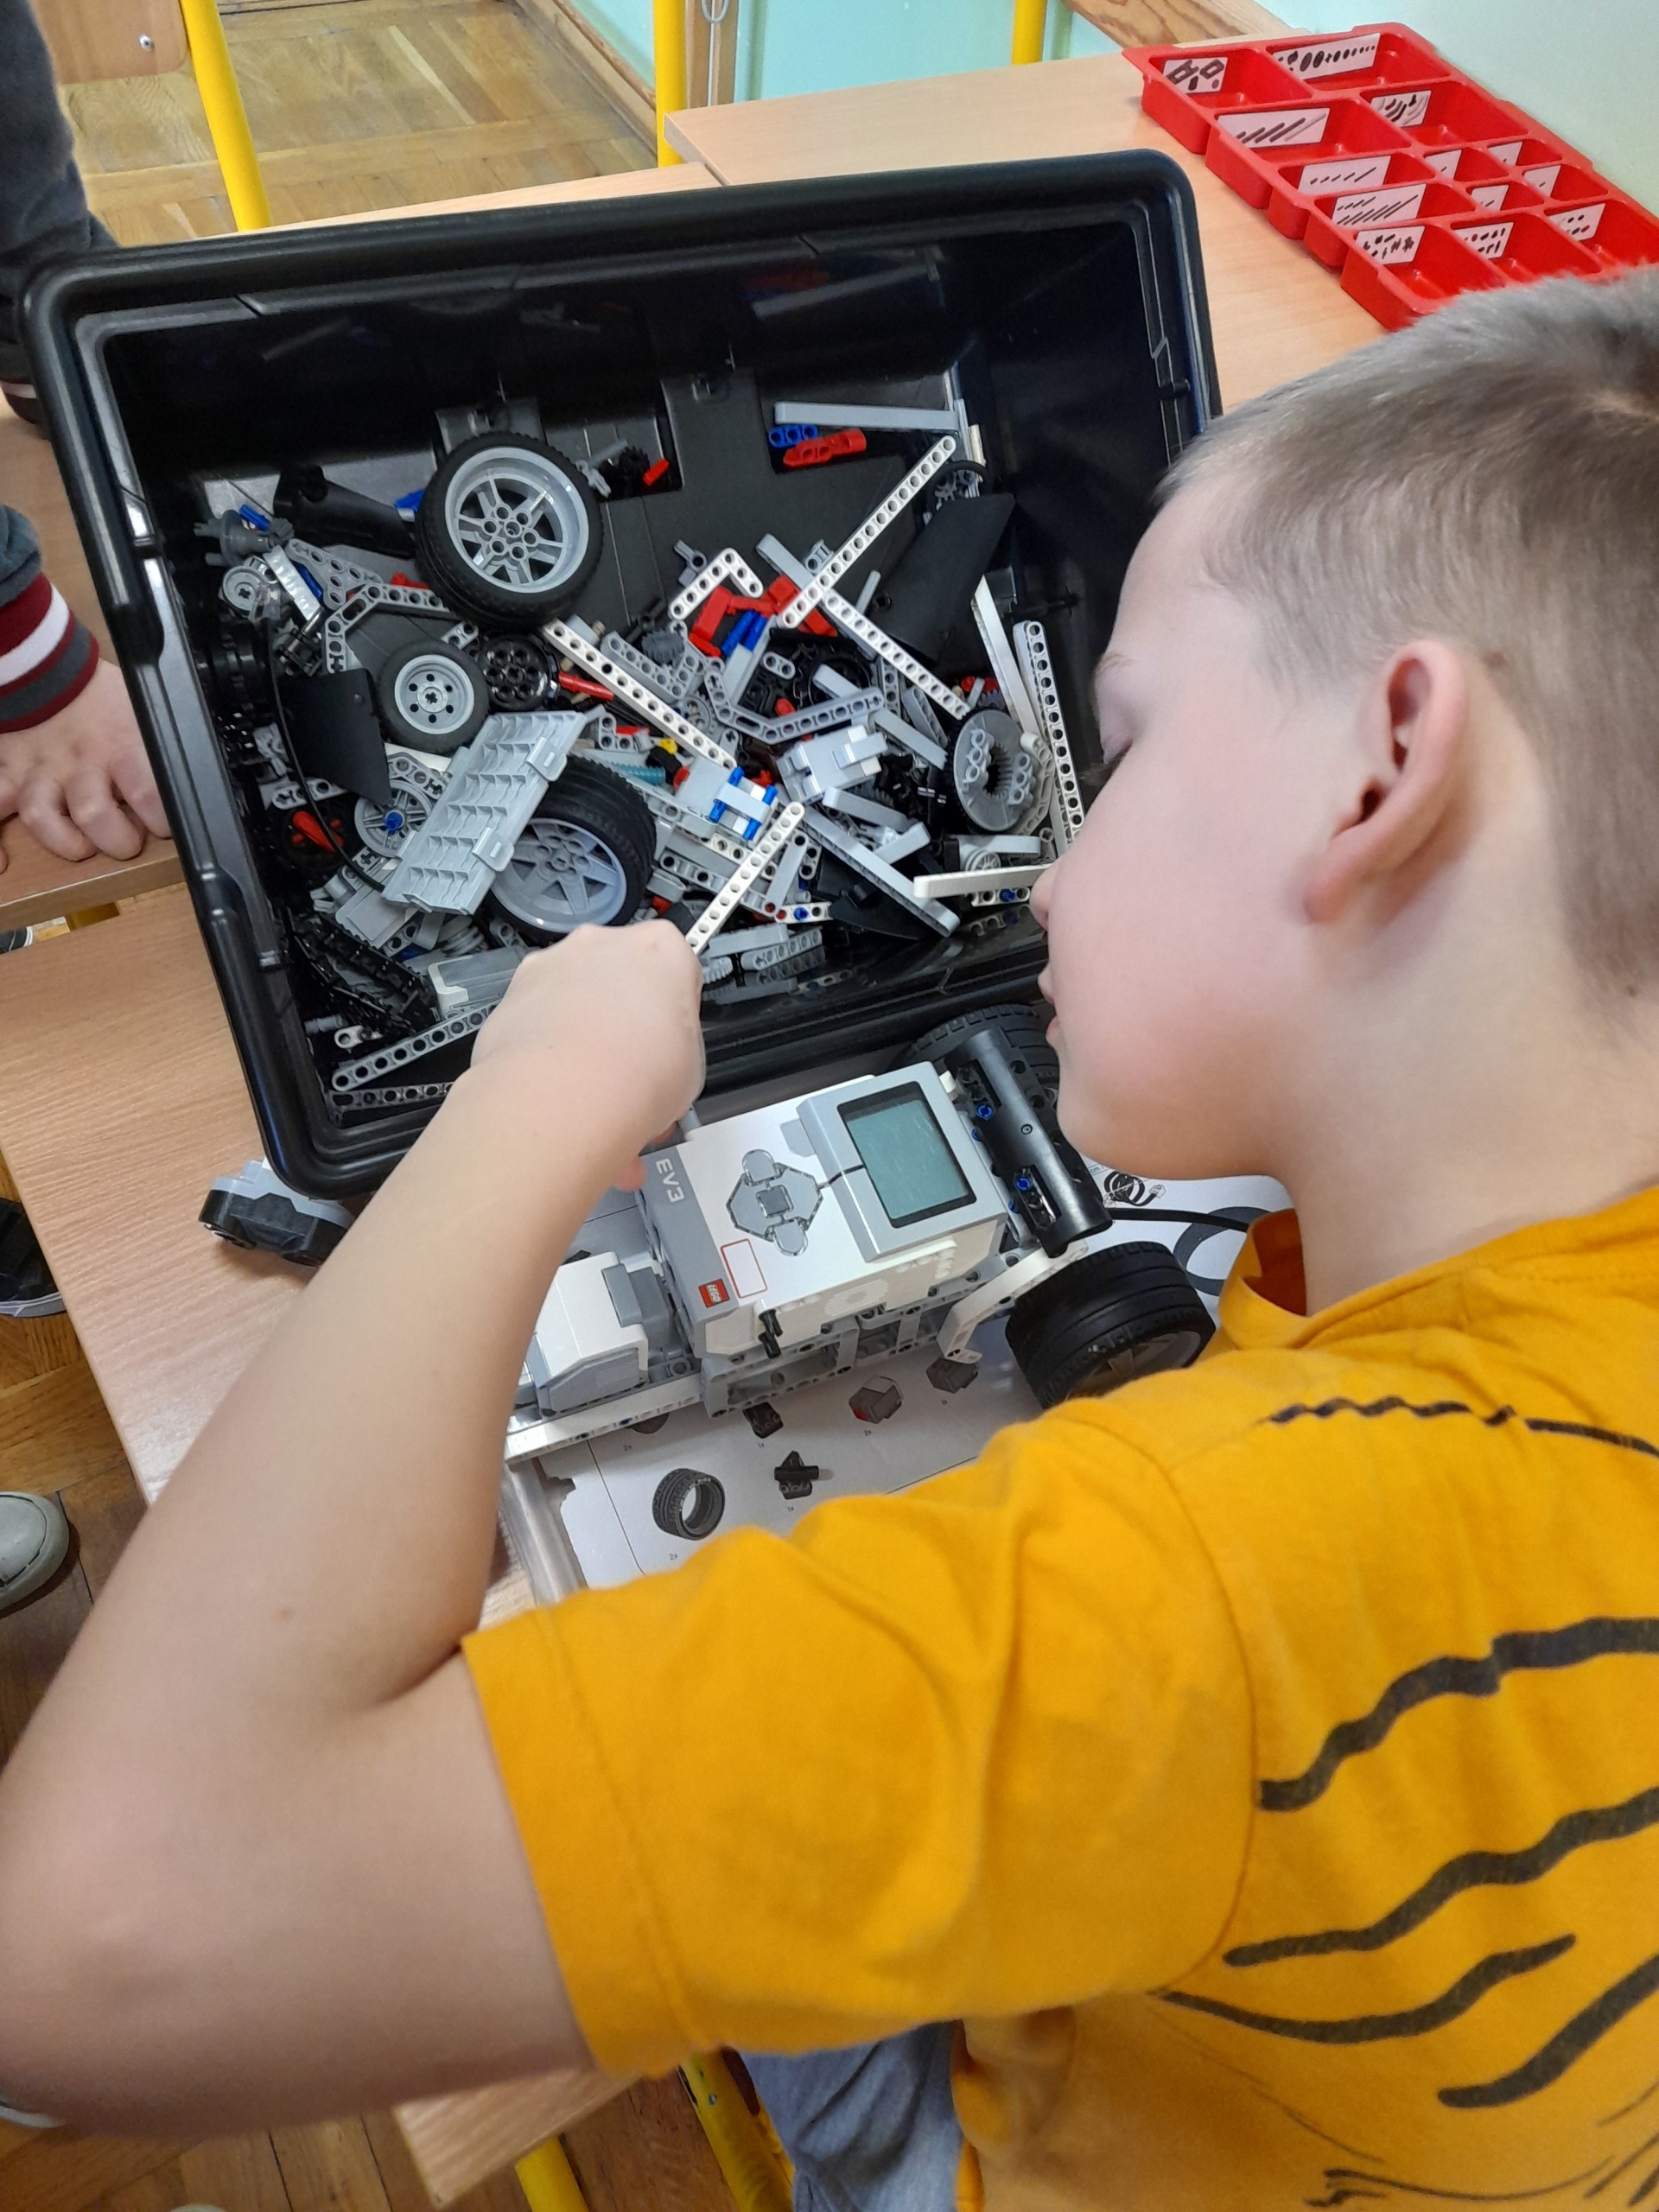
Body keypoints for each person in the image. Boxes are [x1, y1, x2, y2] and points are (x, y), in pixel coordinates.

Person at [2, 268, 1658, 2210]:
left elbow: (86, 1942)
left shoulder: (1193, 1603)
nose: (1056, 855)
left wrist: (527, 1096)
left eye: (1123, 745)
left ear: (1383, 769)